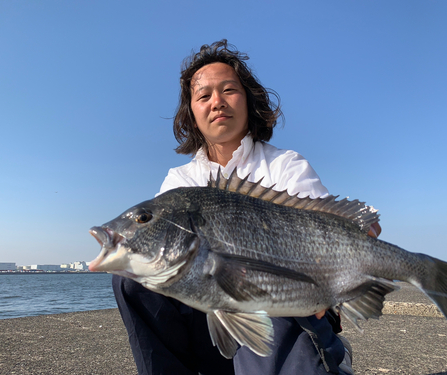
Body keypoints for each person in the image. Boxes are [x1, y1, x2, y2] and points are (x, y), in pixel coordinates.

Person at [112, 40, 381, 375]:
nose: (217, 103)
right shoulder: (179, 181)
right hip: (213, 323)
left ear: (249, 101)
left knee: (265, 287)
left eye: (229, 90)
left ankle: (327, 361)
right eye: (203, 95)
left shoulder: (286, 166)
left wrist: (356, 243)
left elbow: (328, 236)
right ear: (192, 113)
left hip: (291, 309)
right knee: (132, 279)